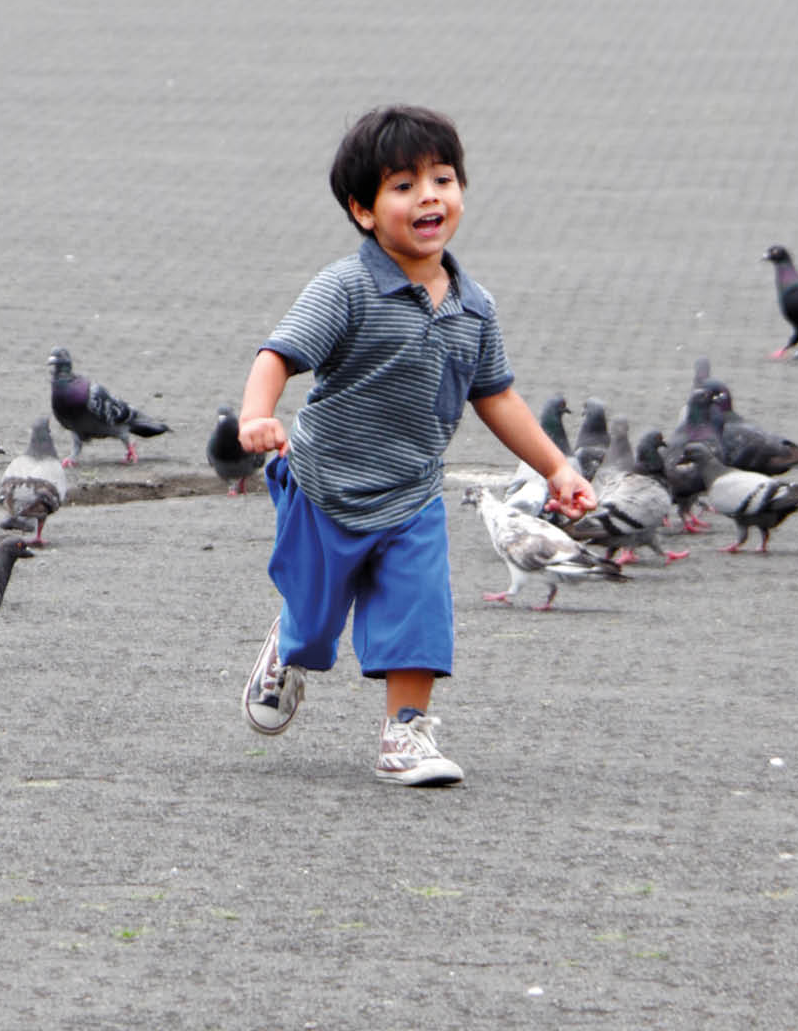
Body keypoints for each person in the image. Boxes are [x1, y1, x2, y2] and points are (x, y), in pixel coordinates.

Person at [236, 104, 596, 786]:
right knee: (315, 628)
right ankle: (287, 649)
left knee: (419, 612)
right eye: (403, 186)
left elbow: (497, 396)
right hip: (325, 487)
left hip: (412, 493)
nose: (429, 195)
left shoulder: (474, 305)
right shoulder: (345, 287)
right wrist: (259, 416)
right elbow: (277, 355)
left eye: (443, 178)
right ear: (363, 210)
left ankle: (406, 734)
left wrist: (556, 467)